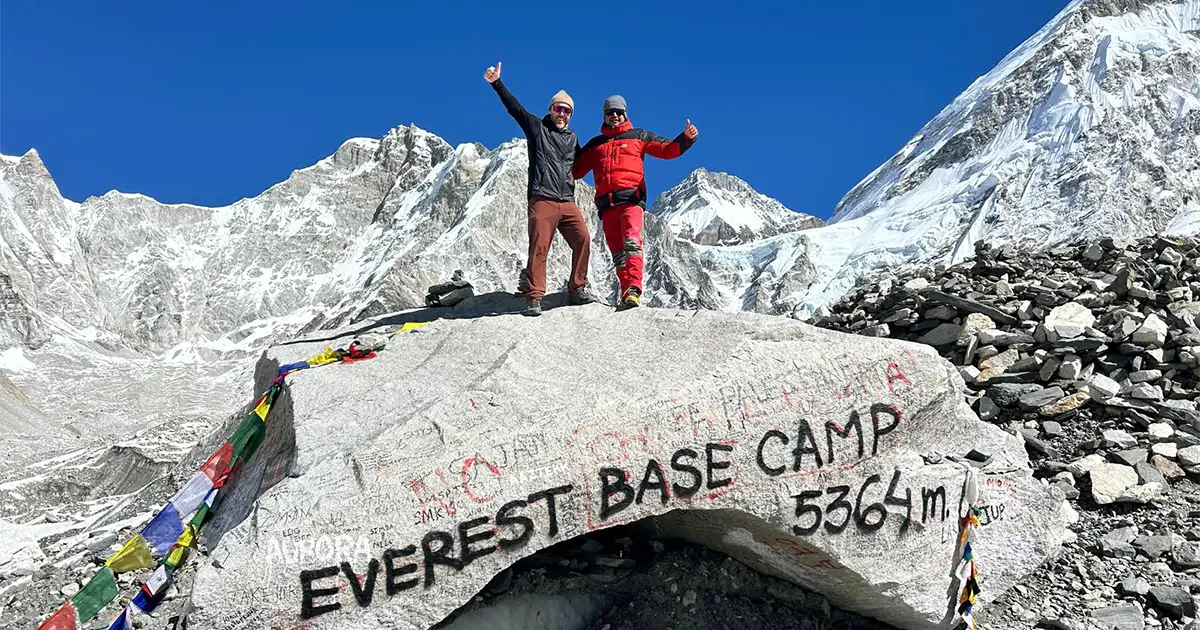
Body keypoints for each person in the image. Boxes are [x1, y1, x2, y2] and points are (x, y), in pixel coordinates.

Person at [484, 61, 596, 317]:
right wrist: (497, 84)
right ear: (550, 109)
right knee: (539, 246)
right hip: (542, 198)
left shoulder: (572, 139)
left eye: (567, 111)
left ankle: (577, 288)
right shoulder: (537, 128)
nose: (562, 114)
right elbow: (516, 110)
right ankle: (534, 297)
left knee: (583, 239)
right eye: (559, 109)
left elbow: (582, 164)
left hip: (567, 201)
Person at [573, 95, 698, 310]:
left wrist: (685, 139)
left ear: (625, 114)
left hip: (631, 201)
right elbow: (575, 171)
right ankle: (626, 292)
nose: (615, 115)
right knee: (618, 254)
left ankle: (633, 289)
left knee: (632, 244)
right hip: (607, 207)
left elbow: (667, 149)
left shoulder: (638, 136)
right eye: (610, 112)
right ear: (604, 115)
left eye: (619, 112)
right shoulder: (595, 145)